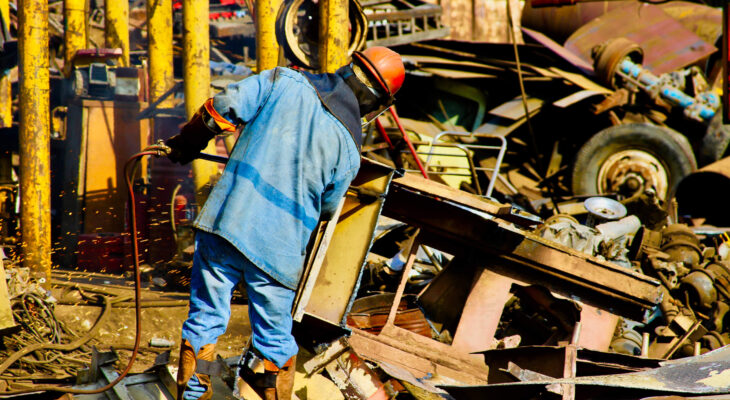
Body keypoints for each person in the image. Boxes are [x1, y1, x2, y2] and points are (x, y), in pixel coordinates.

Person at [165, 46, 405, 400]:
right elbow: (327, 207)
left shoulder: (282, 80)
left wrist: (185, 145)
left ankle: (194, 394)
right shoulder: (350, 151)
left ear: (349, 67)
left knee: (205, 320)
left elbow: (219, 109)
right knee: (274, 340)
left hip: (225, 222)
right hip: (279, 250)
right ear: (376, 102)